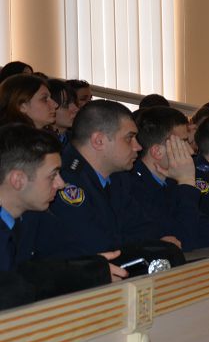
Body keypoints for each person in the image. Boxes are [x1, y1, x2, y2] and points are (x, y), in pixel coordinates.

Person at [29, 100, 179, 259]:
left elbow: (148, 228)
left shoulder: (118, 177)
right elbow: (97, 246)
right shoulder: (63, 179)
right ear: (98, 141)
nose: (138, 147)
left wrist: (149, 243)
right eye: (129, 138)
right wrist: (151, 245)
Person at [0, 125, 126, 308]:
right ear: (18, 180)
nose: (61, 184)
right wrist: (77, 273)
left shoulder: (21, 221)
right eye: (53, 176)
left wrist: (82, 267)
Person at [118, 107, 209, 251]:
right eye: (183, 142)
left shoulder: (172, 180)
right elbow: (185, 242)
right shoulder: (131, 187)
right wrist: (187, 182)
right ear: (157, 151)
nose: (191, 151)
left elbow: (208, 234)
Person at [47, 78, 80, 145]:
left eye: (75, 103)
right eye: (65, 105)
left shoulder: (79, 141)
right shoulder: (39, 142)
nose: (76, 109)